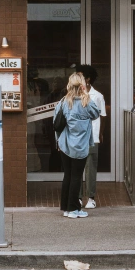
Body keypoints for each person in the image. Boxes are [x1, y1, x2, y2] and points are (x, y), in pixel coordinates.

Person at [53, 72, 100, 219]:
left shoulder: (62, 102)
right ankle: (74, 209)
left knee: (68, 175)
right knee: (76, 177)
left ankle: (67, 208)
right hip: (80, 146)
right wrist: (86, 93)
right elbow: (96, 113)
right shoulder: (86, 103)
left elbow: (57, 124)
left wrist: (58, 142)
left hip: (65, 144)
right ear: (82, 85)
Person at [76, 64, 106, 210]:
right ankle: (78, 197)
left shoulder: (98, 96)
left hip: (92, 136)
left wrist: (100, 134)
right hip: (76, 137)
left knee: (90, 168)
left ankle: (91, 198)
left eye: (81, 76)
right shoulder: (73, 95)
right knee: (77, 168)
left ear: (88, 79)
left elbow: (103, 117)